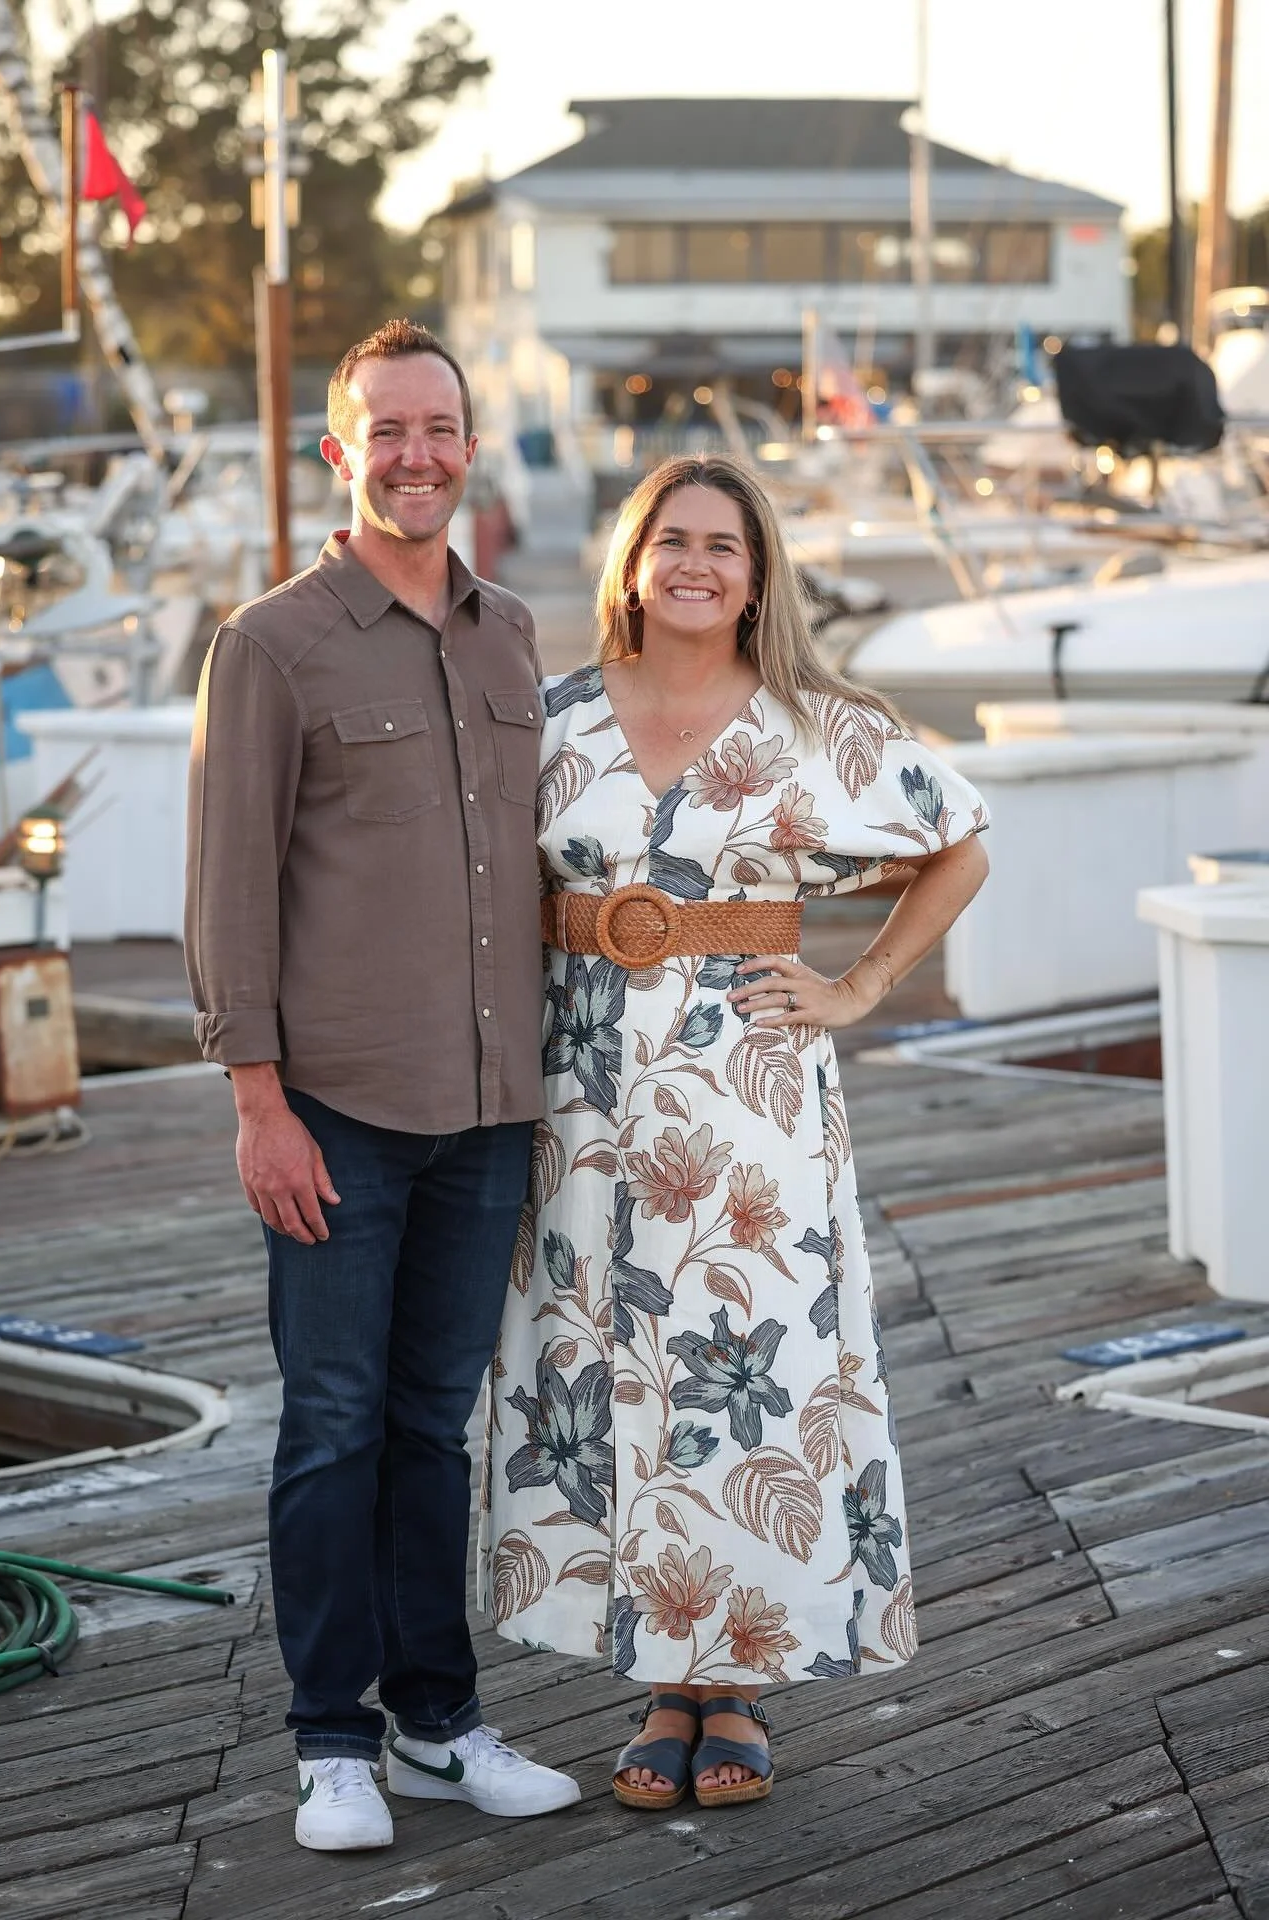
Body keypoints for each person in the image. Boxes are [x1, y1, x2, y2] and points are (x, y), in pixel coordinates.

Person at [480, 453, 989, 1811]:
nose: (697, 564)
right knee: (609, 1366)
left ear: (758, 576)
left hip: (748, 1099)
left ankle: (737, 1683)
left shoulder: (816, 723)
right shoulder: (552, 718)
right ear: (633, 562)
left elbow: (962, 843)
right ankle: (663, 1677)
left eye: (724, 545)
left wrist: (858, 987)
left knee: (732, 1369)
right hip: (583, 1098)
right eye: (674, 540)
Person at [185, 319, 580, 1852]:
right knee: (333, 1428)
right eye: (387, 429)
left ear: (468, 447)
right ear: (338, 448)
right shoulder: (269, 643)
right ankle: (331, 1741)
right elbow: (228, 894)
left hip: (486, 1112)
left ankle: (438, 1720)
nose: (416, 455)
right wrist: (258, 1104)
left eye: (439, 428)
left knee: (434, 1429)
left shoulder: (512, 633)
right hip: (337, 1112)